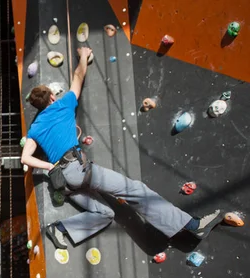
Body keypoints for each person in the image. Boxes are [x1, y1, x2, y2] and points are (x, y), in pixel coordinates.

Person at [21, 47, 223, 249]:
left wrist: (49, 167)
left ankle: (60, 229)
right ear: (52, 98)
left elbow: (25, 158)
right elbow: (78, 76)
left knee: (105, 213)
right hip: (78, 170)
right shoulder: (62, 105)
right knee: (135, 190)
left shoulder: (35, 128)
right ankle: (193, 225)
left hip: (63, 182)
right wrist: (83, 56)